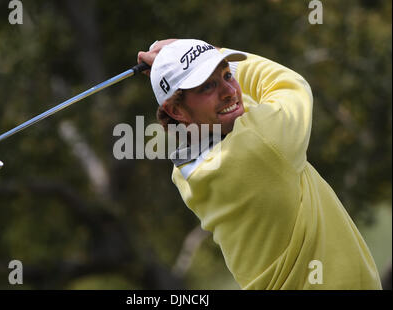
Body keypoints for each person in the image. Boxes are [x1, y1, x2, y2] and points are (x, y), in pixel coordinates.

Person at [137, 39, 382, 289]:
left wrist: (186, 61)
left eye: (227, 75)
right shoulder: (261, 143)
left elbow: (239, 112)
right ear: (177, 111)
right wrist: (214, 51)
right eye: (208, 86)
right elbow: (288, 84)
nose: (230, 90)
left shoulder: (186, 171)